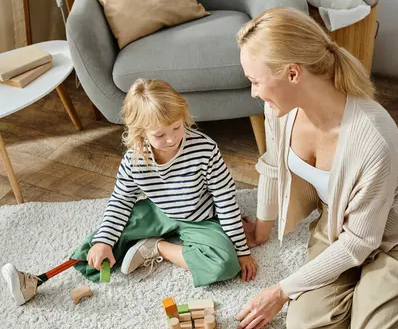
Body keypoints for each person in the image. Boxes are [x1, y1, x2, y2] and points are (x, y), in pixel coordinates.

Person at [236, 7, 398, 329]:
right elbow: (273, 168)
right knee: (306, 327)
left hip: (391, 240)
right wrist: (262, 227)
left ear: (293, 73)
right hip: (340, 224)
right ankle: (372, 303)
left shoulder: (373, 139)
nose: (254, 91)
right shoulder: (279, 110)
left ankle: (379, 300)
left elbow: (361, 243)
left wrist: (280, 290)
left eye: (256, 81)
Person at [2, 78, 257, 306]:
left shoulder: (205, 150)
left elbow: (226, 202)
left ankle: (156, 248)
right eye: (159, 134)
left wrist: (242, 251)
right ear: (141, 132)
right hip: (159, 211)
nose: (171, 139)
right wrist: (104, 241)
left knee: (225, 264)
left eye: (177, 127)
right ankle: (37, 280)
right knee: (100, 242)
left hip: (200, 216)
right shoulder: (135, 158)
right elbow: (121, 201)